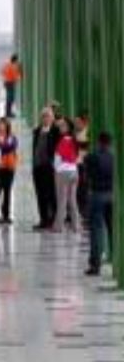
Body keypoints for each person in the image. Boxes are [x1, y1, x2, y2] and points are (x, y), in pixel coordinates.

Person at [85, 132, 114, 276]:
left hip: (97, 195)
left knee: (96, 230)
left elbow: (87, 174)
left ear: (98, 141)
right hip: (111, 195)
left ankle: (95, 265)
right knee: (112, 228)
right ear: (110, 143)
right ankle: (115, 258)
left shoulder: (92, 157)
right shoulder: (113, 157)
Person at [51, 118, 81, 234]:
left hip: (62, 173)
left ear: (68, 128)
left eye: (63, 126)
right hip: (74, 172)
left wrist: (56, 170)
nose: (60, 127)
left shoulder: (63, 141)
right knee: (73, 200)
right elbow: (77, 157)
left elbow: (57, 159)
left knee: (61, 200)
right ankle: (76, 226)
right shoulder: (74, 140)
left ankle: (58, 226)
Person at [31, 108, 59, 230]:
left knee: (51, 194)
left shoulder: (55, 131)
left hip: (50, 167)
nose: (45, 118)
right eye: (43, 116)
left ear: (52, 118)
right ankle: (43, 219)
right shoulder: (37, 131)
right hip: (38, 167)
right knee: (40, 194)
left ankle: (53, 219)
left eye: (48, 116)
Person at [0, 118, 18, 225]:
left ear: (7, 126)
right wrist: (3, 146)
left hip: (9, 167)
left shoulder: (12, 137)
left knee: (7, 191)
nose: (0, 126)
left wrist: (2, 145)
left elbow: (10, 147)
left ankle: (6, 215)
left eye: (2, 124)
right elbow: (1, 148)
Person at [1, 54, 22, 118]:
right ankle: (8, 113)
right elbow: (16, 77)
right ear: (15, 60)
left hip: (6, 82)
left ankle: (7, 112)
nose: (17, 62)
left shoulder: (6, 65)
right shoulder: (12, 66)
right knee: (10, 98)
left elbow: (2, 72)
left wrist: (5, 78)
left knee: (8, 98)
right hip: (10, 83)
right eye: (17, 61)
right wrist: (19, 76)